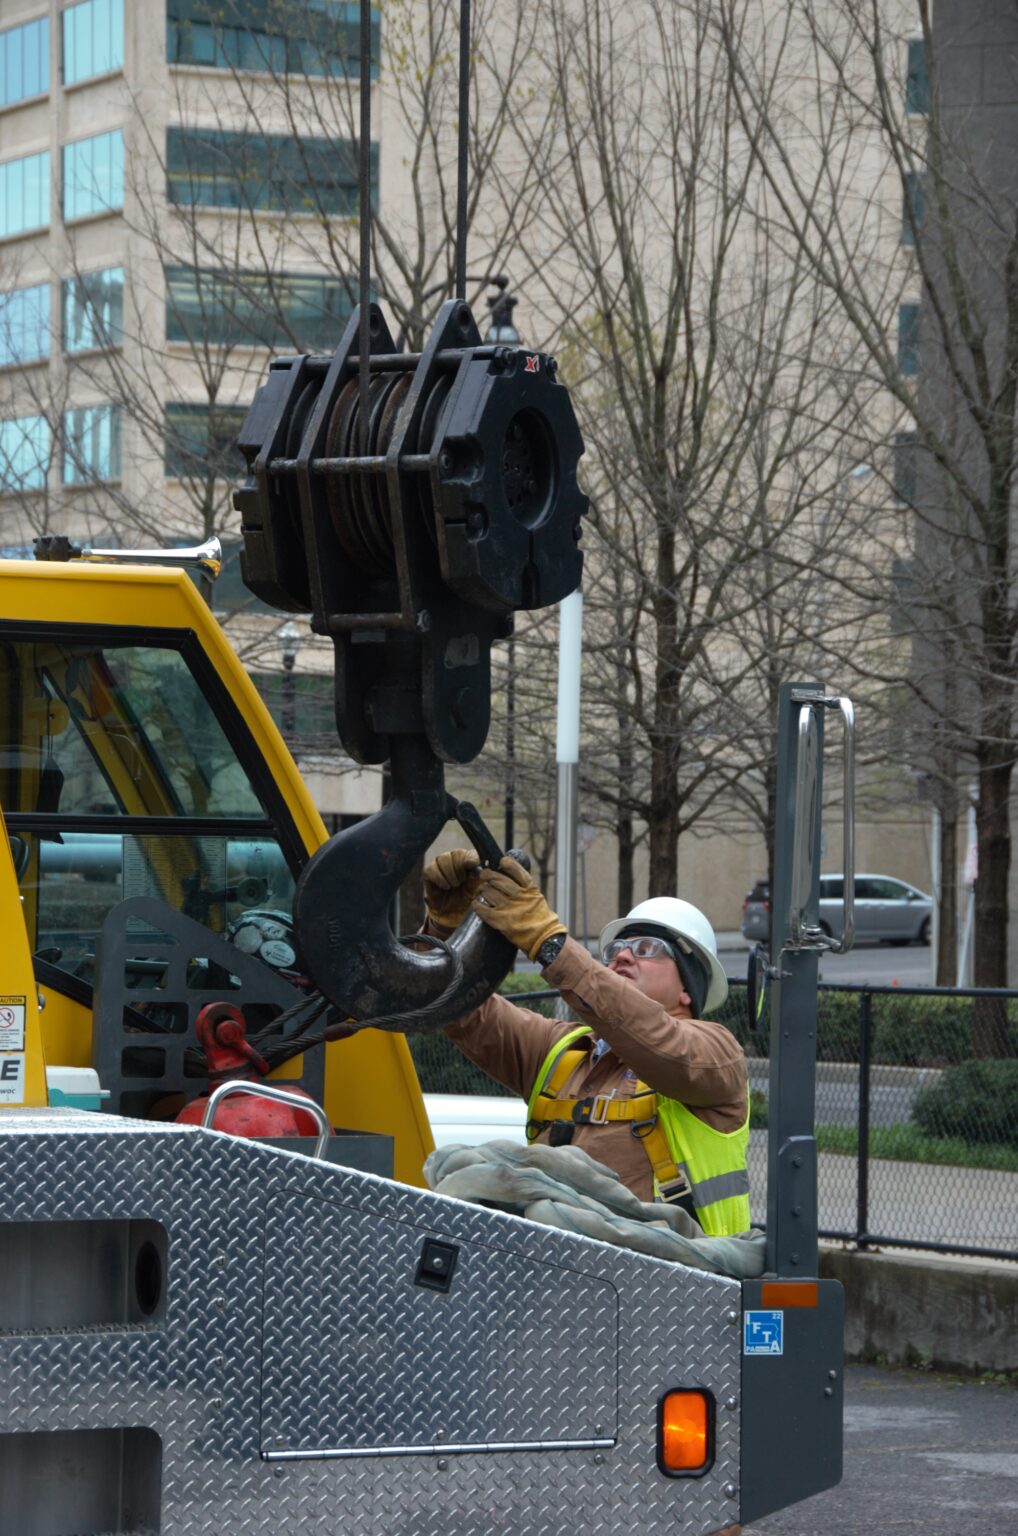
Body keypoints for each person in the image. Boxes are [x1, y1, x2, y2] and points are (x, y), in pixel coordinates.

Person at [423, 849, 751, 1235]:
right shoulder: (562, 1052)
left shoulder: (716, 1053)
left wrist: (548, 942)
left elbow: (653, 1037)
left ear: (687, 989)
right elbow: (459, 1007)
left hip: (677, 1282)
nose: (623, 957)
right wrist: (445, 931)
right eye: (614, 951)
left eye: (648, 948)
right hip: (559, 1272)